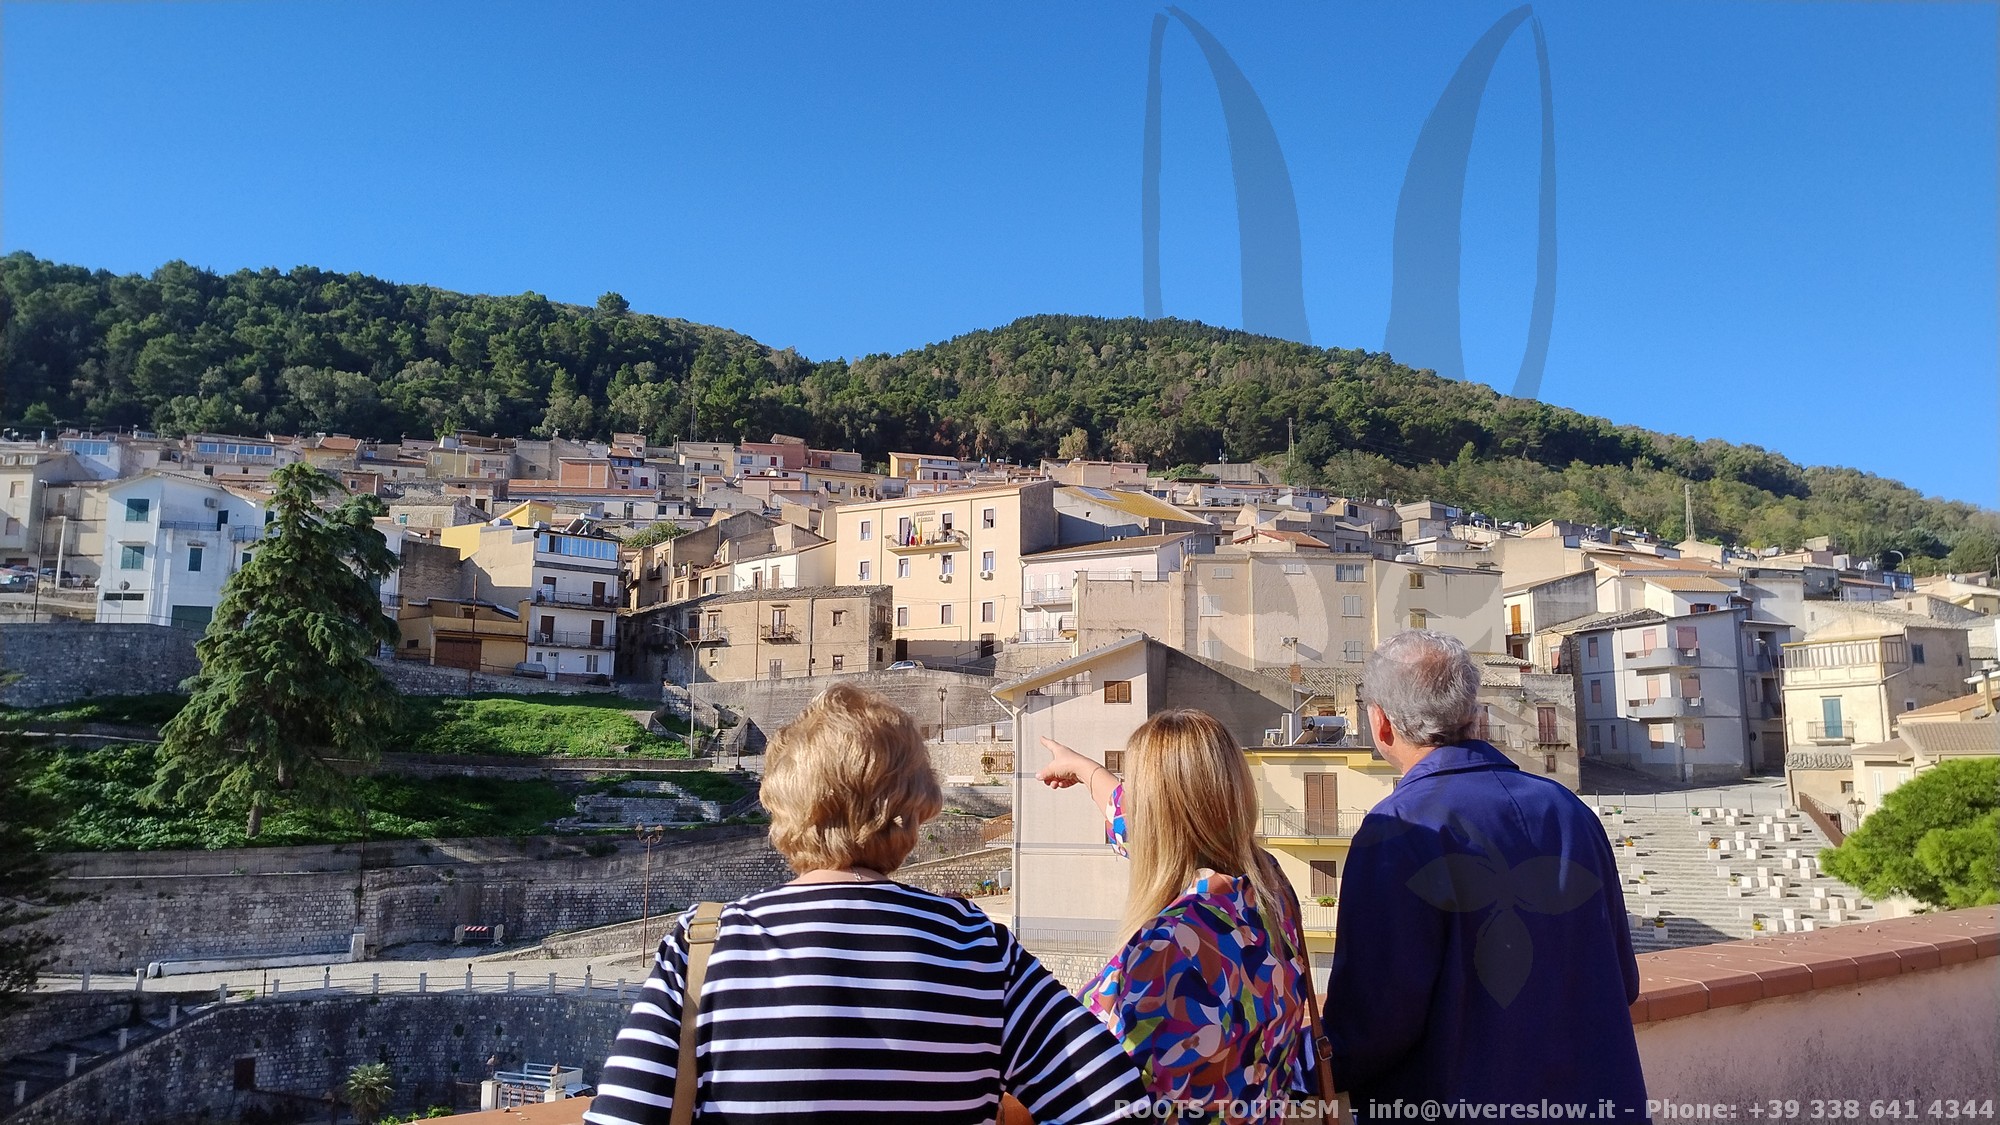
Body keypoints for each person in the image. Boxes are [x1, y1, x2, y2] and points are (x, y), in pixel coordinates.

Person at [586, 683, 1150, 1125]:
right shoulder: (977, 948)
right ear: (915, 809)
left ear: (783, 806)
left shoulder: (703, 948)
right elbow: (1116, 1107)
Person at [1323, 630, 1646, 1118]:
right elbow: (1622, 980)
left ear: (1382, 723)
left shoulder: (1396, 831)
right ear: (1471, 713)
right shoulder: (1570, 812)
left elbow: (1373, 1023)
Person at [1039, 709, 1315, 1121]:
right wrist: (1084, 769)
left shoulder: (1166, 950)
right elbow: (1138, 822)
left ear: (1152, 814)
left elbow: (1083, 1089)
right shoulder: (1270, 887)